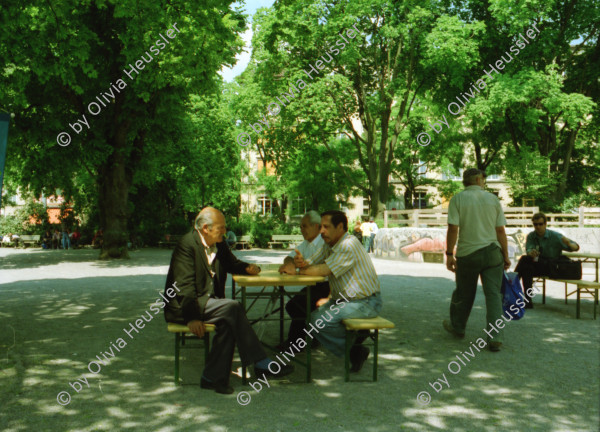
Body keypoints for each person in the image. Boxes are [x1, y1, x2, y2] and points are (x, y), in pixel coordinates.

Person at [164, 207, 293, 395]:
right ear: (206, 228)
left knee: (228, 321)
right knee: (233, 307)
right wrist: (192, 318)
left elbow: (231, 263)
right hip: (184, 306)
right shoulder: (187, 244)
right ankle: (261, 363)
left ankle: (212, 378)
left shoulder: (219, 243)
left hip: (207, 302)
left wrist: (248, 267)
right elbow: (184, 287)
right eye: (221, 228)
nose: (225, 231)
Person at [295, 210, 382, 372]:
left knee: (318, 321)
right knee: (311, 319)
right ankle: (355, 347)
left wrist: (299, 271)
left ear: (340, 227)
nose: (321, 231)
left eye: (326, 227)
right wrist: (300, 263)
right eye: (321, 227)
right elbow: (311, 263)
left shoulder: (348, 244)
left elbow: (324, 270)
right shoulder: (330, 244)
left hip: (366, 301)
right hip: (345, 301)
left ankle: (355, 349)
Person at [443, 168, 510, 352]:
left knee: (464, 293)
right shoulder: (493, 199)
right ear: (479, 179)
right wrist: (505, 255)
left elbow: (453, 228)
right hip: (492, 252)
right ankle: (495, 337)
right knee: (494, 295)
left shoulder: (457, 199)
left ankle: (458, 327)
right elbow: (500, 231)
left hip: (468, 254)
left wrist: (449, 254)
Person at [277, 211, 330, 350]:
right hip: (316, 285)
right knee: (295, 305)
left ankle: (296, 343)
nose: (301, 230)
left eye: (304, 226)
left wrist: (299, 269)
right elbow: (290, 256)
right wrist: (289, 263)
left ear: (317, 226)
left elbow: (321, 267)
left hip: (329, 286)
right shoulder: (306, 243)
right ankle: (308, 338)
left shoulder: (324, 242)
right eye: (300, 227)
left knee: (296, 305)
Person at [514, 213, 580, 308]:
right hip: (538, 264)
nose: (538, 227)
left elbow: (576, 247)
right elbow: (529, 250)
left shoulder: (555, 236)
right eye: (535, 224)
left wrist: (568, 243)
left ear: (545, 224)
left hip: (552, 266)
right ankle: (527, 300)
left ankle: (511, 286)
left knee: (524, 261)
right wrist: (531, 252)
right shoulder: (531, 236)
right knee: (526, 266)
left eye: (540, 224)